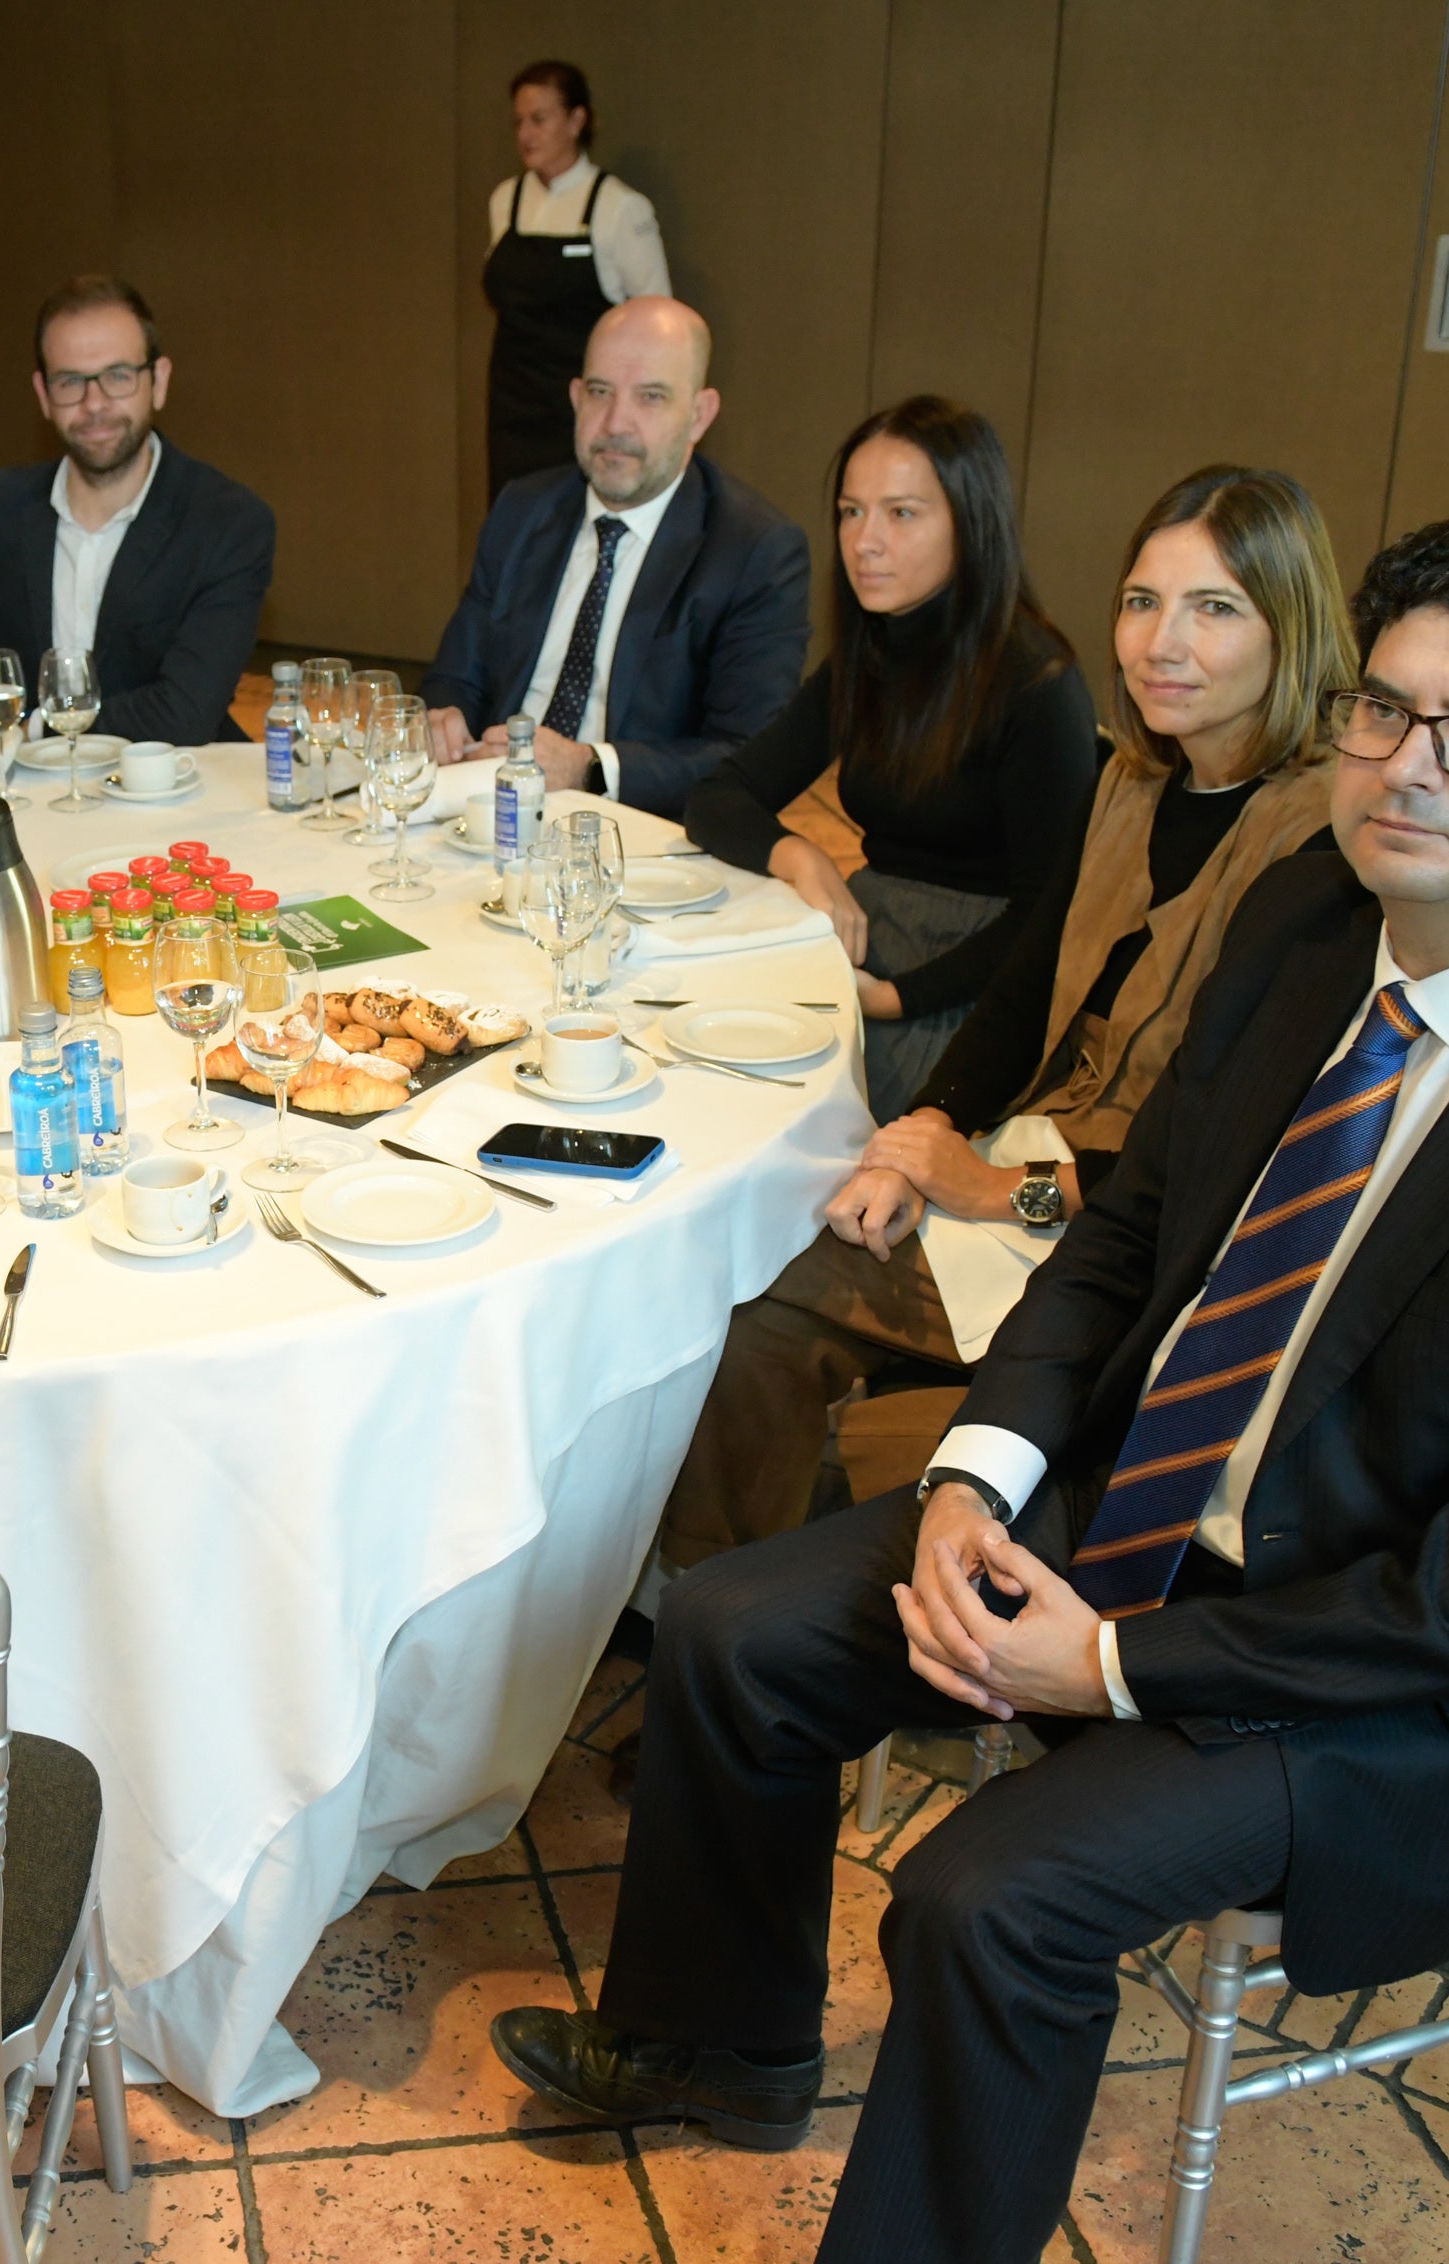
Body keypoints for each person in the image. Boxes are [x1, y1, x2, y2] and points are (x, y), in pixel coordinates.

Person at [499, 509, 1449, 2264]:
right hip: (1156, 1519)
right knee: (732, 1626)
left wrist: (1106, 1670)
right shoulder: (1312, 928)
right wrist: (981, 1474)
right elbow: (1122, 1249)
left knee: (985, 1897)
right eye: (1383, 710)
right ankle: (721, 2044)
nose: (1407, 768)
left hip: (1405, 1680)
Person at [660, 465, 1356, 1568]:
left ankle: (804, 1626)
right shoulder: (1131, 780)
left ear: (1291, 628)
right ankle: (726, 1609)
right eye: (1140, 603)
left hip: (1154, 1241)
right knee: (758, 1287)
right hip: (1039, 1160)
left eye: (1212, 609)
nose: (1158, 644)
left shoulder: (1323, 841)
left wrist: (1001, 1187)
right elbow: (1023, 993)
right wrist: (922, 1134)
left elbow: (1233, 1138)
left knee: (767, 1308)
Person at [683, 396, 1098, 1120]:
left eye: (901, 514)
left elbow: (1047, 918)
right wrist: (801, 856)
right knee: (702, 1064)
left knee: (790, 1117)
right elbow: (716, 796)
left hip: (977, 980)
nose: (864, 541)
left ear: (970, 524)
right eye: (850, 512)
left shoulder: (1038, 682)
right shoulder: (870, 656)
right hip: (871, 929)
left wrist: (899, 995)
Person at [421, 297, 805, 809]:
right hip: (487, 807)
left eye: (650, 397)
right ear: (577, 398)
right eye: (600, 392)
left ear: (698, 415)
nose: (615, 423)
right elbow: (456, 676)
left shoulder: (754, 550)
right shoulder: (524, 509)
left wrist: (590, 768)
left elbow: (748, 756)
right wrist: (440, 718)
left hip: (632, 836)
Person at [0, 275, 277, 747]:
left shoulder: (227, 522)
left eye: (118, 376)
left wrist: (37, 732)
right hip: (30, 801)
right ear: (44, 395)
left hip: (173, 796)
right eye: (70, 382)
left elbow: (184, 713)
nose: (94, 404)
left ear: (159, 381)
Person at [481, 63, 671, 500]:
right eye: (519, 122)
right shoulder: (504, 201)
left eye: (539, 119)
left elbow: (659, 323)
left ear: (576, 120)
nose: (526, 134)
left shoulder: (619, 208)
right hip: (512, 405)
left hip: (585, 413)